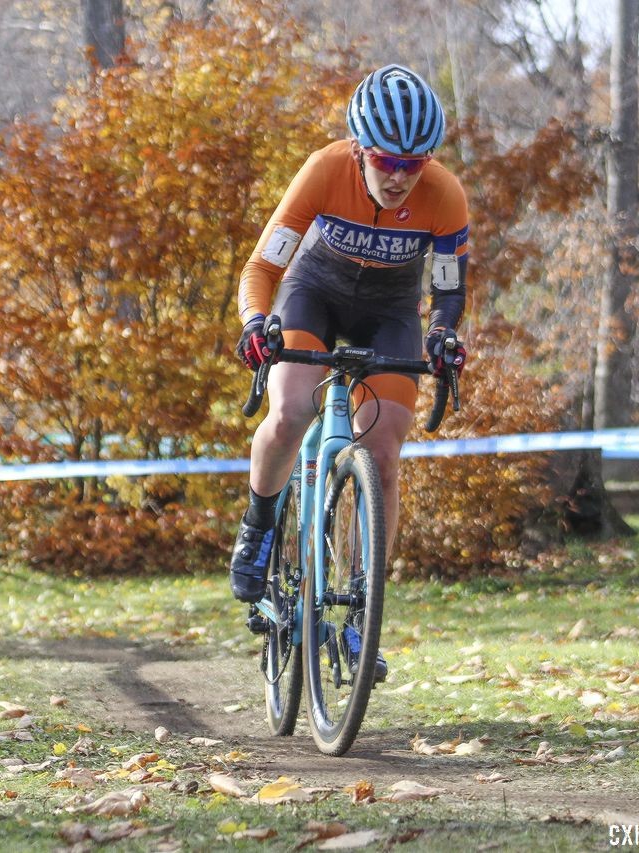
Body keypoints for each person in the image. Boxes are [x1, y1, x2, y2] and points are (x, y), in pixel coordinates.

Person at [229, 64, 470, 679]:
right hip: (315, 296)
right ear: (360, 149)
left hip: (389, 314)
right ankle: (258, 526)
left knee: (384, 449)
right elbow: (262, 269)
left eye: (413, 165)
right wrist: (257, 321)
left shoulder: (444, 195)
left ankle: (365, 612)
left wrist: (442, 337)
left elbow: (447, 292)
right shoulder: (324, 169)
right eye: (387, 161)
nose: (398, 177)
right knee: (288, 411)